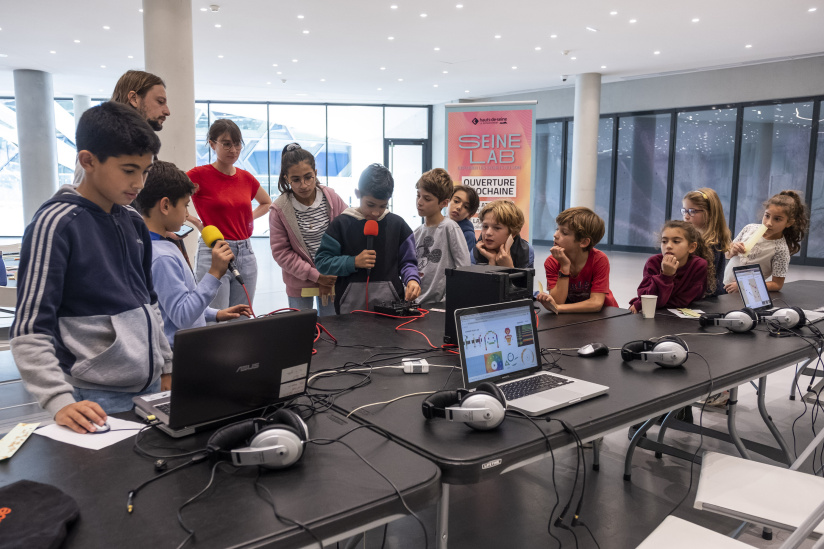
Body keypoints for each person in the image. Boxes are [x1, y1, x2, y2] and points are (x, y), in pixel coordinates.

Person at [10, 102, 169, 433]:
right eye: (129, 170)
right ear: (88, 160)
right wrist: (59, 400)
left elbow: (149, 301)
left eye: (145, 171)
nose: (139, 183)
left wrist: (166, 364)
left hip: (150, 387)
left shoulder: (133, 222)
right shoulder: (55, 225)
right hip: (94, 397)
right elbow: (29, 328)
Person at [134, 161, 251, 348]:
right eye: (185, 205)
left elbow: (175, 305)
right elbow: (183, 316)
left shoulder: (160, 245)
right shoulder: (161, 257)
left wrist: (214, 314)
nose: (187, 213)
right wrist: (214, 274)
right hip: (178, 355)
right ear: (165, 206)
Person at [187, 119, 272, 309]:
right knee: (216, 320)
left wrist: (247, 217)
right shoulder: (198, 175)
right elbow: (172, 195)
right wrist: (195, 222)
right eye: (226, 144)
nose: (233, 149)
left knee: (241, 318)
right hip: (214, 250)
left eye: (237, 144)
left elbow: (266, 203)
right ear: (212, 144)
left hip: (246, 252)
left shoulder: (246, 177)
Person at [315, 163, 421, 314]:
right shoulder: (341, 224)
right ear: (358, 194)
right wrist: (352, 262)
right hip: (349, 311)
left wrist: (412, 279)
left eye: (382, 206)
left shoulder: (398, 225)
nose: (376, 213)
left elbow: (408, 262)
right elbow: (322, 262)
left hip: (391, 310)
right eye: (370, 205)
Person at [269, 143, 346, 316]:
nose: (303, 185)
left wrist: (332, 271)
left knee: (333, 330)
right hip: (299, 283)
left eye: (308, 177)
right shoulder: (279, 209)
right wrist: (316, 276)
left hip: (332, 278)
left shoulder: (331, 198)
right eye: (296, 179)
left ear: (315, 174)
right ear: (287, 178)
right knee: (303, 332)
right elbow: (281, 253)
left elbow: (347, 231)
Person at [73, 70, 170, 186]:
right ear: (134, 99)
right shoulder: (102, 140)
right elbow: (83, 193)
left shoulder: (142, 143)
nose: (167, 111)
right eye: (160, 102)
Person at [723, 190, 809, 293]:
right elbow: (727, 255)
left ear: (789, 223)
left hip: (747, 294)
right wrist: (732, 250)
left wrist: (744, 286)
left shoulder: (781, 250)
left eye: (777, 219)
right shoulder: (749, 228)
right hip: (723, 286)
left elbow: (777, 284)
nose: (769, 223)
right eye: (767, 216)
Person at [536, 206, 618, 313]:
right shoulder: (552, 261)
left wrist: (558, 308)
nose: (555, 235)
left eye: (564, 232)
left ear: (583, 242)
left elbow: (596, 303)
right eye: (557, 229)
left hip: (603, 315)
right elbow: (557, 301)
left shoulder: (599, 260)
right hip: (571, 315)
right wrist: (564, 267)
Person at [628, 220, 715, 313]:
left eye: (676, 241)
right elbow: (645, 295)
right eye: (664, 241)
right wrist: (665, 276)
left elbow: (683, 301)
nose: (668, 246)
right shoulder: (653, 262)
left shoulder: (699, 265)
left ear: (691, 247)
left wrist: (666, 276)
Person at [413, 169, 471, 306]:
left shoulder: (450, 228)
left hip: (440, 305)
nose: (419, 202)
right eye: (418, 196)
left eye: (427, 198)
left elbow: (463, 269)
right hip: (416, 305)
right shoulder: (416, 232)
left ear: (444, 203)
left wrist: (448, 301)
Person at [682, 188, 731, 296]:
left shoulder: (711, 244)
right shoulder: (698, 238)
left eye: (692, 211)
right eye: (685, 210)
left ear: (709, 213)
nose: (686, 216)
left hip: (706, 300)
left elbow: (702, 283)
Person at [473, 200, 533, 269]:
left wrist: (509, 267)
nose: (488, 233)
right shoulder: (475, 252)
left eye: (497, 228)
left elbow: (525, 279)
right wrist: (492, 262)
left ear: (513, 233)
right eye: (485, 226)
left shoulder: (526, 251)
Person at [448, 184, 480, 264]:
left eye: (465, 207)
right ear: (448, 200)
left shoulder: (468, 234)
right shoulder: (439, 224)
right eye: (456, 201)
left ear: (470, 215)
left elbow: (464, 266)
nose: (459, 207)